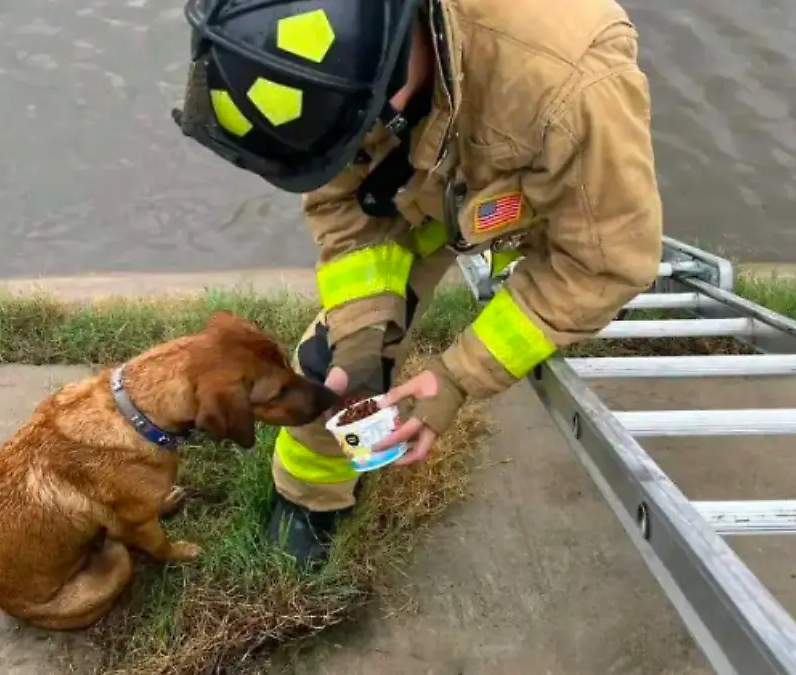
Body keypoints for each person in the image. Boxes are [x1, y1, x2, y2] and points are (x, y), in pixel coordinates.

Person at [173, 0, 664, 565]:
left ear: (390, 88)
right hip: (424, 173)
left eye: (357, 132)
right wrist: (360, 335)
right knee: (329, 361)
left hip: (533, 167)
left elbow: (604, 263)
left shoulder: (574, 86)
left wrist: (457, 378)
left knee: (579, 260)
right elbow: (341, 196)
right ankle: (312, 499)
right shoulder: (328, 50)